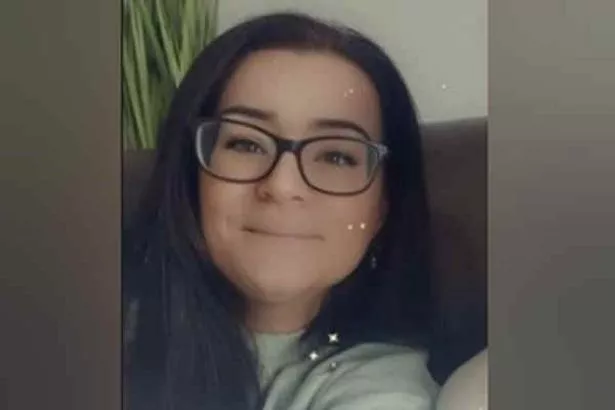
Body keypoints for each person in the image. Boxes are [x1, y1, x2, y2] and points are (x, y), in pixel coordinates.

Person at [123, 12, 439, 410]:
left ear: (383, 206)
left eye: (336, 156)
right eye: (246, 144)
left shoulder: (385, 393)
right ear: (190, 175)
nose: (283, 186)